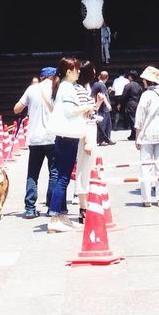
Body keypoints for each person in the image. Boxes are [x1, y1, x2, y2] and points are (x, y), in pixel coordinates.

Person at [47, 56, 94, 233]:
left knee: (63, 175)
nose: (79, 71)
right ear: (69, 71)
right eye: (76, 69)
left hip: (66, 136)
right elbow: (69, 111)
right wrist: (85, 108)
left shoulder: (65, 87)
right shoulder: (67, 88)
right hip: (67, 136)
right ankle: (54, 217)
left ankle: (60, 214)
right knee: (63, 177)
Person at [15, 67, 56, 219]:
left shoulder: (31, 89)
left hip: (34, 138)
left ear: (41, 77)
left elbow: (17, 109)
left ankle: (30, 208)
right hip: (52, 138)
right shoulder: (56, 89)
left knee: (33, 174)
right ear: (53, 77)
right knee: (54, 173)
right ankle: (52, 207)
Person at [134, 66, 159, 207]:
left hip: (147, 134)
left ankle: (147, 199)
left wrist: (137, 136)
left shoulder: (146, 95)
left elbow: (139, 118)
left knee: (146, 166)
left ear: (147, 81)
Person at [72, 61, 98, 218]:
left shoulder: (83, 89)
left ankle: (86, 205)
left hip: (88, 130)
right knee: (84, 169)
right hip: (86, 132)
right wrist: (88, 139)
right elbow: (84, 117)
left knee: (87, 168)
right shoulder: (80, 91)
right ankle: (83, 208)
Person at [91, 70, 113, 146]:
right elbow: (102, 96)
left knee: (106, 124)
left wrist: (108, 92)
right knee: (104, 124)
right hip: (102, 108)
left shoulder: (96, 84)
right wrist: (108, 105)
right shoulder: (102, 85)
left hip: (100, 107)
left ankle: (106, 139)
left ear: (99, 76)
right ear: (107, 78)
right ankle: (102, 140)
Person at [121, 70, 143, 141]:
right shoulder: (139, 86)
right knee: (135, 118)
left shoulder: (128, 86)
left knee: (132, 120)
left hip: (130, 104)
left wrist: (121, 104)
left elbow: (124, 96)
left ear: (130, 77)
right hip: (137, 103)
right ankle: (133, 134)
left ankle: (136, 134)